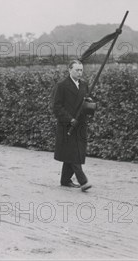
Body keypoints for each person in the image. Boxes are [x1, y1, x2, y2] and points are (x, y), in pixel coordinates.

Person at [52, 59, 92, 192]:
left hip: (80, 125)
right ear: (70, 70)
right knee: (74, 153)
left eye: (81, 70)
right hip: (67, 126)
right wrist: (69, 119)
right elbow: (56, 106)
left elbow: (86, 103)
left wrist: (90, 105)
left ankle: (65, 180)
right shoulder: (62, 85)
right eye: (77, 70)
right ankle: (83, 181)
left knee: (74, 152)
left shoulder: (84, 85)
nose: (80, 73)